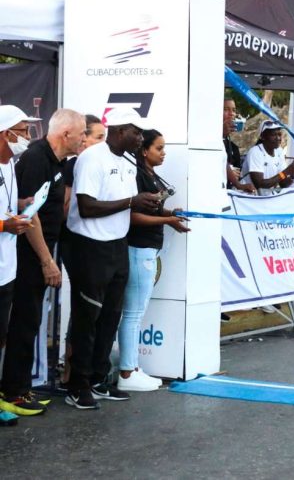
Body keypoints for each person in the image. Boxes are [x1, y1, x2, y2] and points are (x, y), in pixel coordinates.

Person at [65, 107, 160, 410]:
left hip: (118, 245)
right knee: (87, 318)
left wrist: (161, 212)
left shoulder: (128, 162)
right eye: (136, 132)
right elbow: (87, 206)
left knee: (110, 316)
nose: (140, 138)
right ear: (120, 131)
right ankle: (77, 385)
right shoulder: (92, 158)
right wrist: (133, 201)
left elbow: (127, 208)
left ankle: (97, 379)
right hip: (90, 246)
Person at [0, 109, 86, 416]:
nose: (84, 139)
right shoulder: (36, 158)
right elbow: (30, 217)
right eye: (82, 134)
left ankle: (19, 387)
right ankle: (14, 391)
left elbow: (26, 204)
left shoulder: (54, 161)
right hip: (26, 253)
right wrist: (47, 261)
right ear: (66, 135)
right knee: (24, 322)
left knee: (28, 321)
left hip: (27, 252)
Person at [117, 129, 189, 392]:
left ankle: (132, 367)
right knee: (133, 313)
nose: (164, 153)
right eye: (159, 148)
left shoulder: (151, 175)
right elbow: (133, 217)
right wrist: (167, 220)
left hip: (147, 249)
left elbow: (153, 209)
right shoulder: (137, 175)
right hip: (138, 248)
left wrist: (170, 214)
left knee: (136, 312)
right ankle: (126, 372)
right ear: (144, 150)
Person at [59, 114, 106, 386]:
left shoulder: (98, 163)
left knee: (89, 308)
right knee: (82, 306)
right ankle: (70, 368)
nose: (102, 143)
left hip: (90, 244)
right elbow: (64, 209)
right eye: (98, 137)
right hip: (73, 242)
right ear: (83, 138)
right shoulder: (74, 165)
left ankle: (81, 368)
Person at [0, 106, 35, 418]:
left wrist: (21, 206)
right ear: (5, 134)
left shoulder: (11, 165)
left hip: (6, 269)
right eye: (22, 131)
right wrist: (3, 226)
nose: (26, 137)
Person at [241, 120, 294, 195]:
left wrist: (293, 174)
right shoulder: (255, 152)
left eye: (279, 134)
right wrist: (287, 172)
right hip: (249, 198)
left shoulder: (279, 152)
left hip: (266, 198)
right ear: (262, 137)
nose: (278, 138)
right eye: (273, 135)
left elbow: (283, 184)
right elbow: (260, 185)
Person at [222, 98, 255, 194]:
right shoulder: (208, 138)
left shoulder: (233, 146)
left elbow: (224, 163)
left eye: (233, 110)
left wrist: (238, 184)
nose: (231, 113)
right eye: (226, 109)